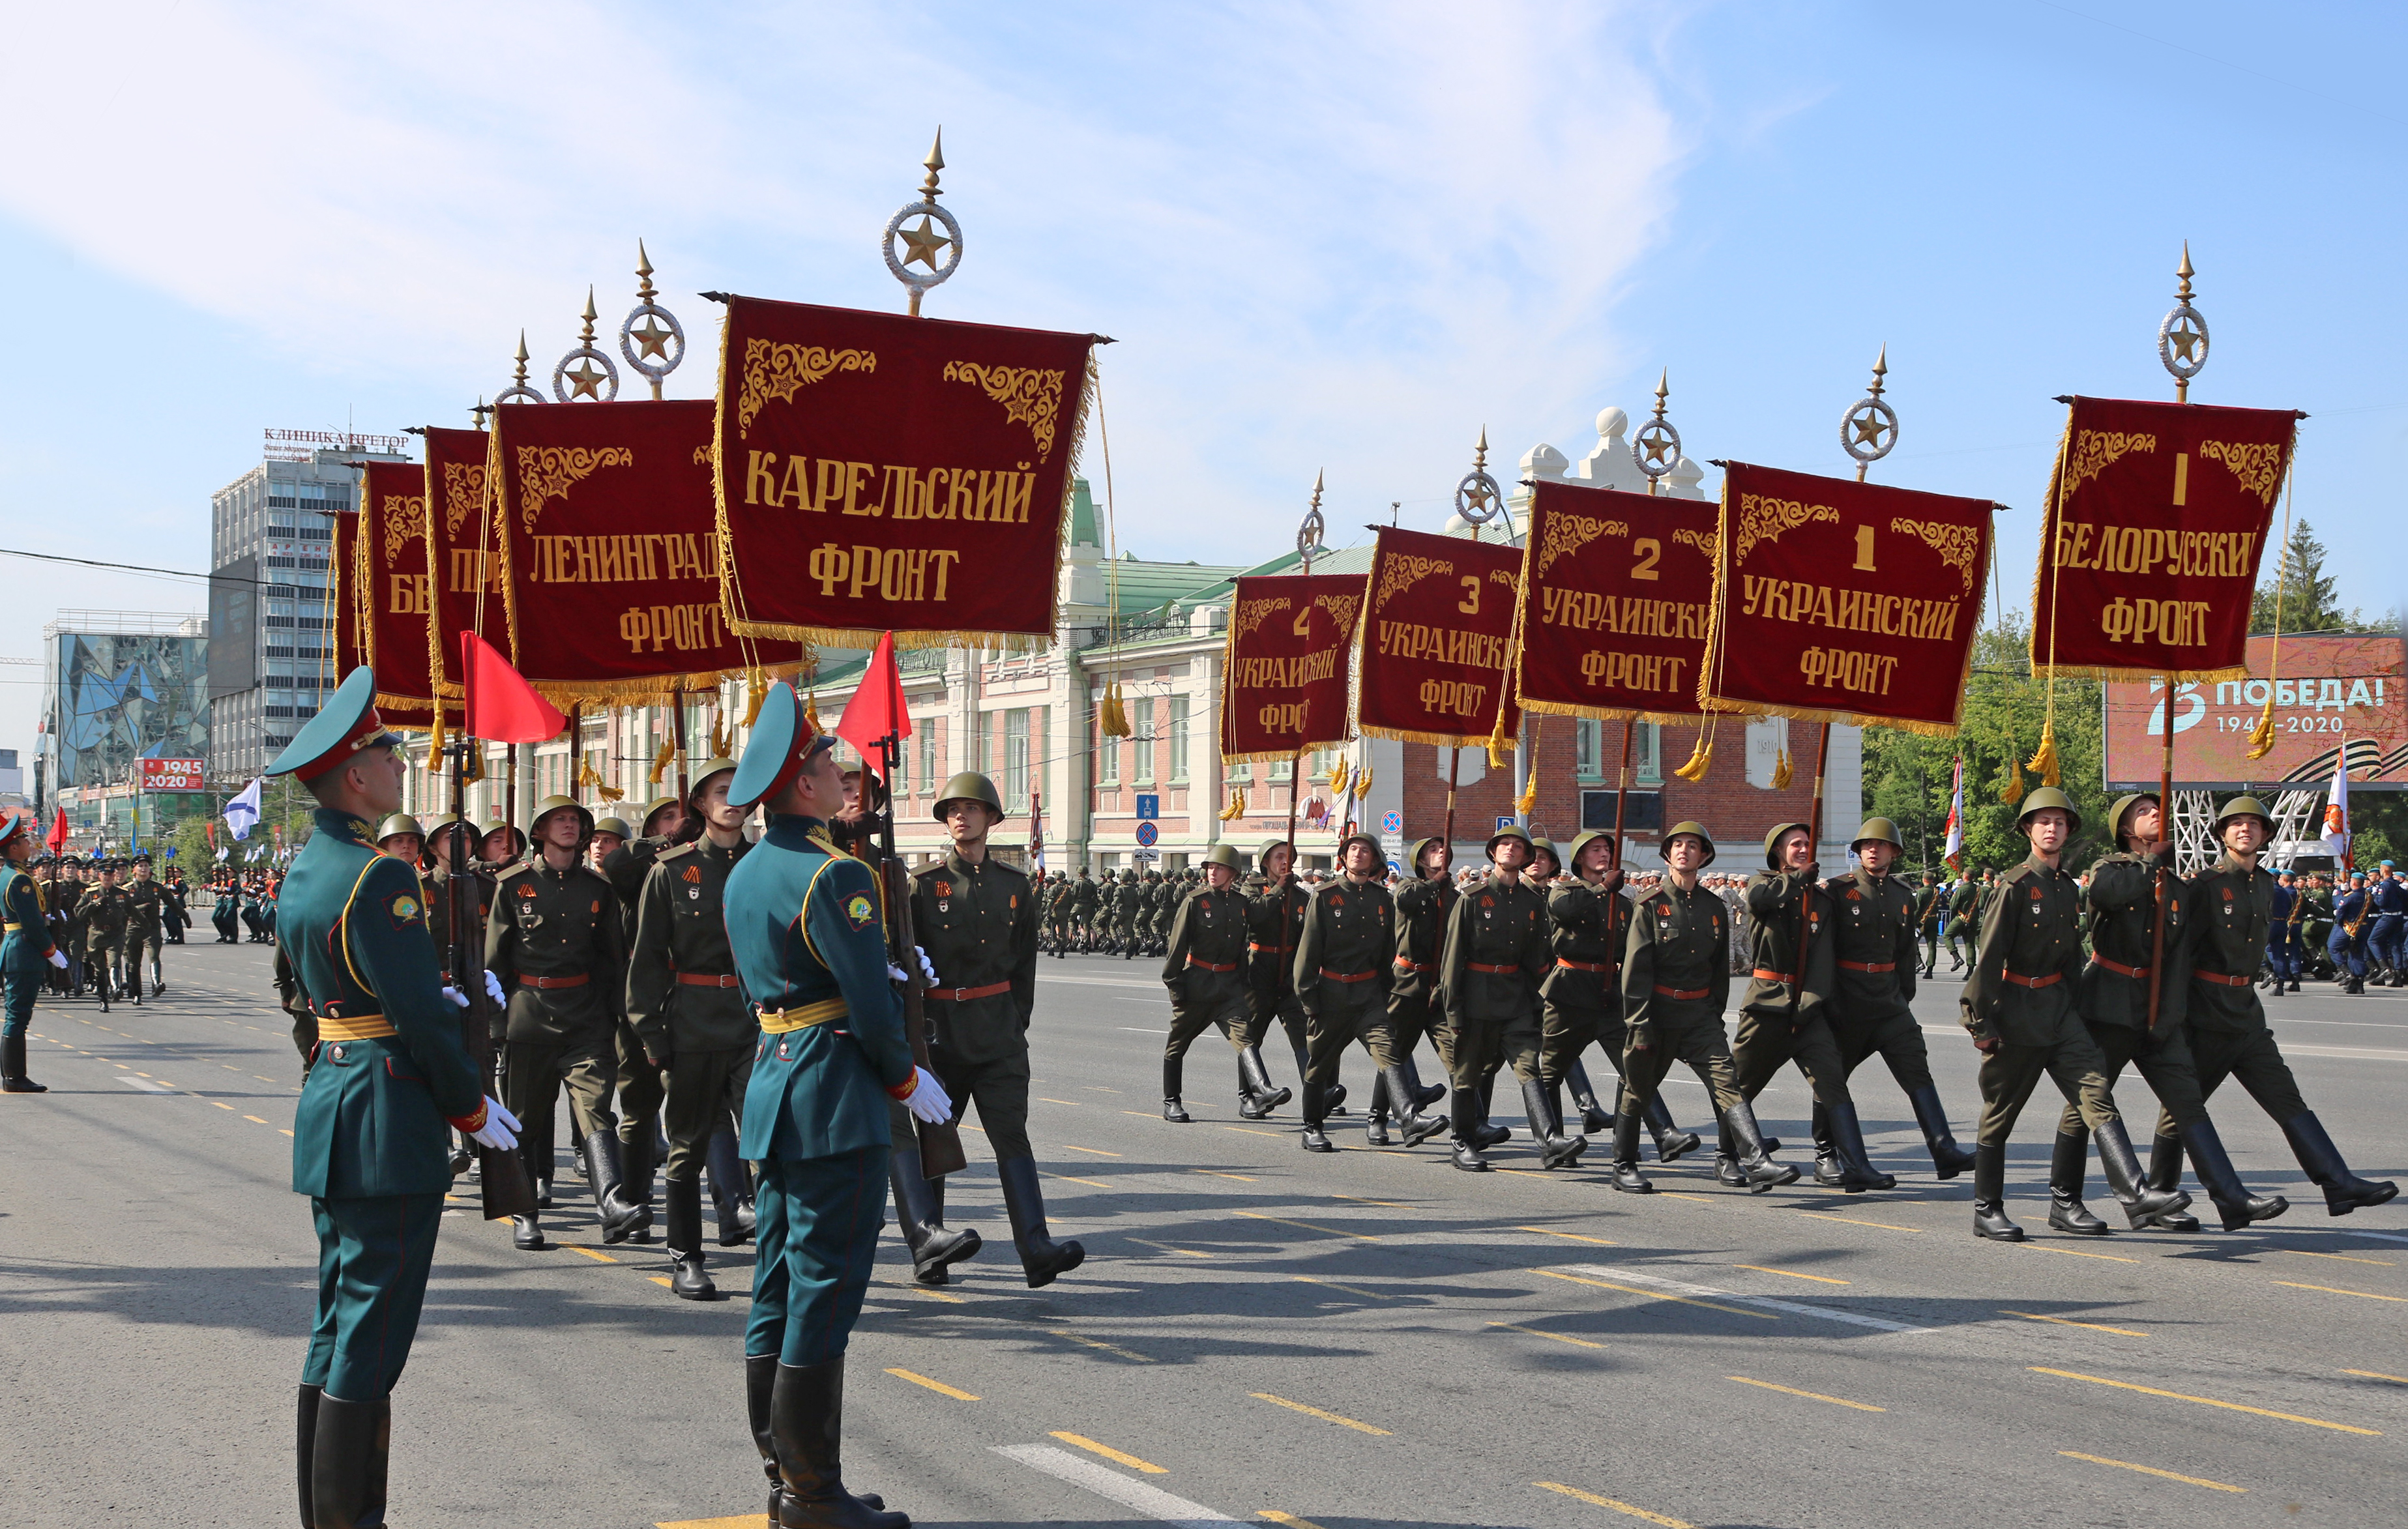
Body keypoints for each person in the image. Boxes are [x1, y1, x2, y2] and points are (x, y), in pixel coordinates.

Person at [271, 668, 518, 1529]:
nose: (398, 758)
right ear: (353, 774)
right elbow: (415, 1015)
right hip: (386, 1109)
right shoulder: (380, 878)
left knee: (341, 1316)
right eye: (385, 748)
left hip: (339, 1100)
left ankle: (327, 1516)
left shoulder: (313, 866)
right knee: (373, 1330)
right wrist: (473, 1106)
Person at [724, 682, 942, 1529]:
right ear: (798, 786)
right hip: (833, 1090)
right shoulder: (834, 874)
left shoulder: (747, 871)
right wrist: (902, 1076)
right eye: (823, 761)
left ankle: (788, 1472)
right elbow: (865, 997)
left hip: (777, 1080)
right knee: (825, 1284)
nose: (838, 768)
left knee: (779, 1279)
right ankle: (813, 1494)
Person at [1958, 787, 2188, 1242]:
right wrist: (1979, 1023)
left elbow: (2069, 958)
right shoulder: (2014, 886)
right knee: (2000, 1115)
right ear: (2028, 829)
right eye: (2043, 821)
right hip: (2018, 1011)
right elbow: (1988, 961)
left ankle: (2133, 1192)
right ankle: (1987, 1209)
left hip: (2061, 1011)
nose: (2052, 829)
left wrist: (2077, 1008)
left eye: (2060, 822)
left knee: (2096, 1094)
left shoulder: (2066, 887)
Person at [2051, 792, 2287, 1234]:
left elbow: (2179, 959)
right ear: (2125, 828)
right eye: (2144, 812)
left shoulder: (2177, 885)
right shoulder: (2114, 869)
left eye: (2159, 811)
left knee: (2187, 1100)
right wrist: (2148, 863)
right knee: (2085, 1106)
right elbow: (2107, 895)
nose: (2156, 815)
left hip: (2158, 1010)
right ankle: (2065, 1201)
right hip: (2109, 1007)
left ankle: (2230, 1196)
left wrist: (2173, 1013)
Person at [2169, 796, 2397, 1217]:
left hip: (2246, 1012)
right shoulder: (2205, 887)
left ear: (2266, 835)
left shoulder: (2265, 885)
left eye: (2253, 825)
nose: (2244, 830)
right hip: (2207, 1012)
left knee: (2286, 1096)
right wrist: (2174, 1017)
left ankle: (2337, 1182)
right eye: (2235, 824)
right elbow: (2182, 956)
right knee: (2181, 1110)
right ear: (2222, 834)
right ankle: (2164, 1197)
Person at [911, 772, 1081, 1288]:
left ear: (990, 818)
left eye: (971, 808)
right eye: (952, 810)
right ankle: (930, 1250)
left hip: (999, 1037)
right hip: (943, 1035)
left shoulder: (1014, 886)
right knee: (936, 1144)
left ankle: (1036, 1248)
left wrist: (1016, 1022)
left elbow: (1023, 965)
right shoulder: (922, 885)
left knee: (1013, 1140)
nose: (960, 816)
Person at [626, 758, 763, 1300]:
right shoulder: (671, 870)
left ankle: (777, 1250)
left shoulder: (764, 865)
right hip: (694, 1021)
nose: (732, 799)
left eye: (741, 791)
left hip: (760, 1021)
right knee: (686, 1146)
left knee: (771, 1143)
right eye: (720, 792)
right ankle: (686, 1255)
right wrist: (652, 1035)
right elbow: (647, 961)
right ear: (701, 806)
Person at [486, 794, 641, 1252]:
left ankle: (611, 1201)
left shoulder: (598, 890)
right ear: (539, 832)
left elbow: (612, 961)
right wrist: (496, 1028)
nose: (570, 826)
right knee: (525, 1120)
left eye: (575, 820)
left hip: (586, 1015)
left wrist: (620, 1022)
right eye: (560, 820)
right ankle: (524, 1212)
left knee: (595, 1107)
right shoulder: (513, 886)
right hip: (529, 1014)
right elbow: (494, 966)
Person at [1613, 822, 1791, 1194]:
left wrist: (1713, 1013)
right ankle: (1623, 1164)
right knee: (1637, 1088)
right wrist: (1639, 1023)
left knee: (1728, 1082)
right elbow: (1635, 970)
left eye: (1692, 846)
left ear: (1704, 855)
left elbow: (1717, 970)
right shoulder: (1649, 905)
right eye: (1677, 845)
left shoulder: (1713, 907)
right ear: (1667, 855)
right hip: (1657, 1015)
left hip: (1698, 1016)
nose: (1684, 851)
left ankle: (1756, 1161)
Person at [1729, 822, 1890, 1191]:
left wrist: (1813, 1000)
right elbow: (1761, 902)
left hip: (1806, 1008)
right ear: (1778, 852)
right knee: (1740, 1088)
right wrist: (1797, 880)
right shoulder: (1763, 885)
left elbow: (1823, 958)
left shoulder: (1820, 899)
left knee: (1833, 1083)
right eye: (1795, 845)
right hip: (1767, 1003)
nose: (1803, 849)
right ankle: (1728, 1157)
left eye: (1807, 844)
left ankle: (1857, 1165)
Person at [1818, 820, 1976, 1183]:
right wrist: (1828, 1001)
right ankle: (1826, 1154)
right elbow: (1823, 951)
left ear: (1895, 852)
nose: (1872, 850)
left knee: (1916, 1070)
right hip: (1848, 1001)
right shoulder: (1839, 891)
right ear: (1858, 852)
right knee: (1832, 1077)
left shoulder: (1903, 894)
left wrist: (1903, 997)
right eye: (1866, 845)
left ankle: (1943, 1148)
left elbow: (1906, 954)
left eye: (1881, 845)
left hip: (1889, 1002)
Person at [1538, 828, 1701, 1162]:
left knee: (1635, 1068)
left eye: (1606, 850)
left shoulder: (1624, 904)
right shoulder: (1563, 891)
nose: (1603, 855)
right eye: (1595, 849)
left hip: (1610, 994)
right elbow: (1565, 913)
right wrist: (1601, 890)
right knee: (1551, 1070)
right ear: (1580, 858)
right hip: (1571, 991)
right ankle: (1553, 1140)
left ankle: (1663, 1134)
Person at [1437, 825, 1578, 1172]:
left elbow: (1538, 960)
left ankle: (1549, 1139)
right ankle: (1463, 1142)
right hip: (1476, 999)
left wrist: (1538, 1001)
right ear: (1493, 852)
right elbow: (1452, 960)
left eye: (1518, 846)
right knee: (1468, 1074)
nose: (1511, 850)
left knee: (1529, 1066)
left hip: (1516, 1000)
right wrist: (1453, 1012)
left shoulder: (1533, 903)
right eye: (1505, 844)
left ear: (1527, 857)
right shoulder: (1472, 897)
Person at [1293, 830, 1444, 1153]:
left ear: (1375, 860)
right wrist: (1309, 999)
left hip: (1369, 996)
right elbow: (1308, 953)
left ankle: (1408, 1117)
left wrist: (1385, 992)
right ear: (1343, 858)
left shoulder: (1381, 899)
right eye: (1353, 850)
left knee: (1389, 1054)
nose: (1358, 854)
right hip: (1332, 993)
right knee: (1319, 1064)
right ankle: (1312, 1127)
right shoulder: (1325, 895)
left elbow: (1387, 951)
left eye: (1365, 851)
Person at [1162, 843, 1259, 1123]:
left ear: (1233, 873)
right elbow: (1177, 948)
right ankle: (1172, 1101)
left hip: (1229, 986)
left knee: (1246, 1038)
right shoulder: (1195, 901)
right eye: (1210, 868)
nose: (1212, 872)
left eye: (1219, 868)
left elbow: (1241, 947)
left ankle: (1261, 1091)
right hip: (1198, 984)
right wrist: (1175, 985)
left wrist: (1243, 981)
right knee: (1177, 1045)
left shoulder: (1240, 904)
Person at [1377, 837, 1454, 1146]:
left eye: (1443, 849)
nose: (1440, 853)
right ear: (1421, 863)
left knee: (1458, 1056)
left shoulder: (1456, 896)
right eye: (1433, 851)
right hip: (1407, 983)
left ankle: (1473, 1124)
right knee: (1394, 1054)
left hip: (1439, 987)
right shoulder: (1411, 887)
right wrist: (1435, 884)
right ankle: (1377, 1118)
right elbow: (1405, 900)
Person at [3, 811, 68, 1091]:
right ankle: (14, 1078)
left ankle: (11, 1076)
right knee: (18, 1016)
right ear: (13, 848)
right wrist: (51, 950)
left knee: (16, 1014)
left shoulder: (8, 874)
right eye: (24, 840)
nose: (29, 844)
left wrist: (46, 919)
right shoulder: (19, 880)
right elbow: (29, 923)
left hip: (15, 947)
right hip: (24, 950)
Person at [2367, 862, 2406, 987]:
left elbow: (2381, 902)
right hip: (2399, 917)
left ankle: (2384, 967)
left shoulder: (2386, 885)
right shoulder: (2396, 884)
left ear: (2383, 870)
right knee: (2395, 946)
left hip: (2388, 916)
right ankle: (2398, 977)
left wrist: (2374, 895)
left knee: (2372, 941)